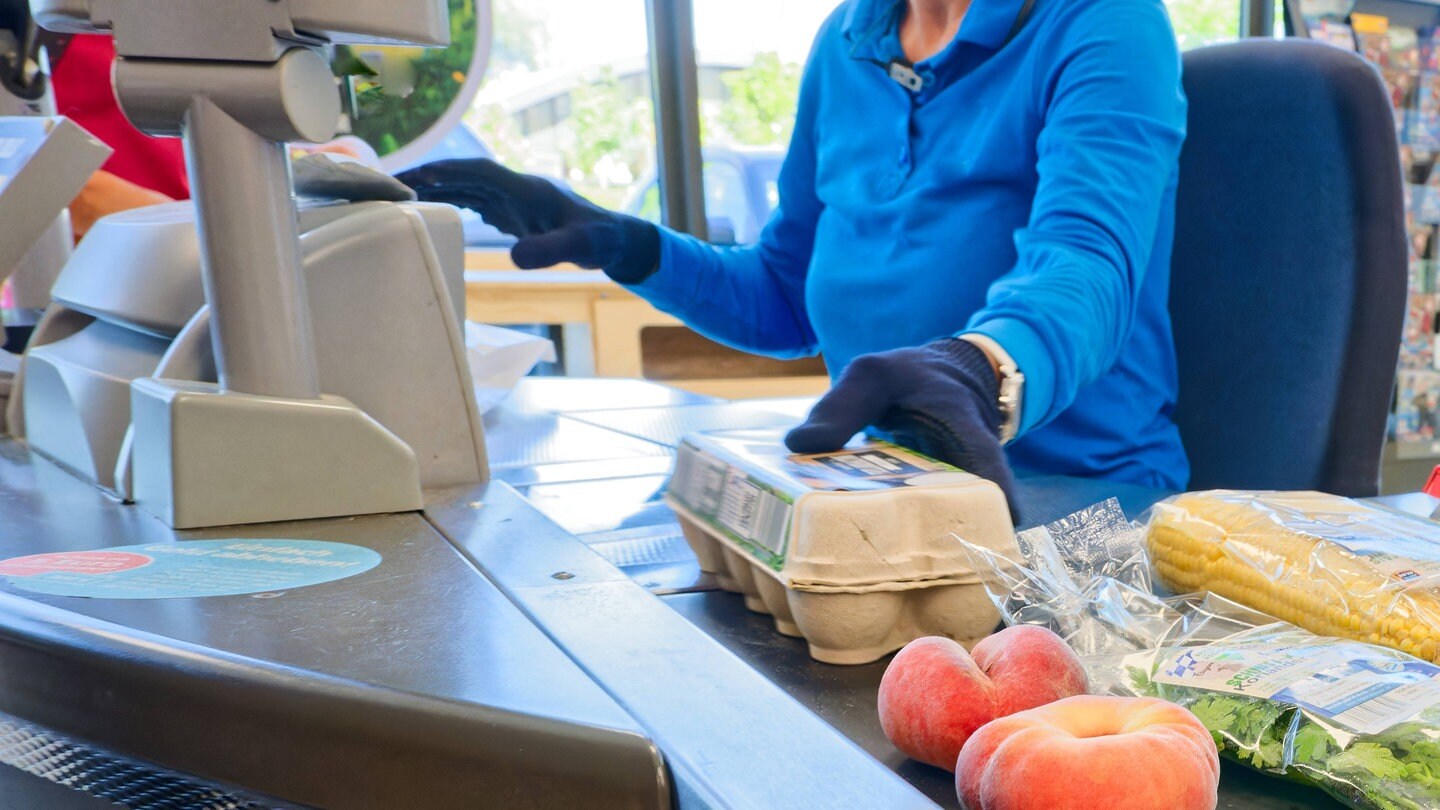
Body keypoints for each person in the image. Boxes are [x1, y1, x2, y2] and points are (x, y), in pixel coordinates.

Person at [399, 0, 1190, 518]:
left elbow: (1088, 263)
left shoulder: (1106, 24)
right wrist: (630, 246)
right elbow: (785, 296)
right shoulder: (847, 41)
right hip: (885, 487)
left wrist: (977, 369)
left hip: (1081, 500)